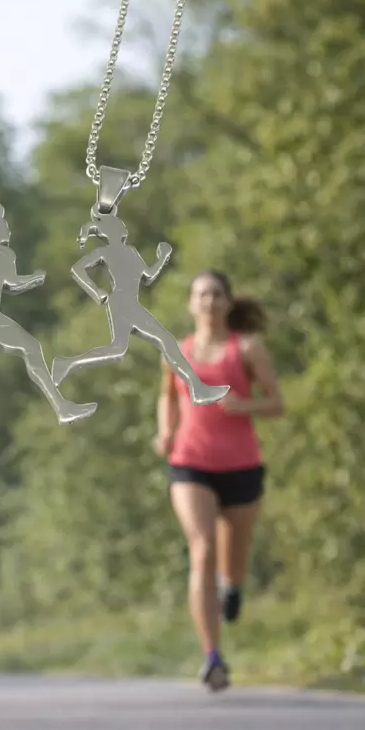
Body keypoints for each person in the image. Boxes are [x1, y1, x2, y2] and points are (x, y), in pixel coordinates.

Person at [154, 269, 284, 692]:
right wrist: (166, 430)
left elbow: (276, 404)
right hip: (190, 463)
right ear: (191, 304)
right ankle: (212, 656)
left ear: (228, 302)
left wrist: (243, 405)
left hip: (241, 466)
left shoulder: (246, 348)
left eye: (215, 294)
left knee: (233, 562)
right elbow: (167, 395)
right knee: (203, 550)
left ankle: (234, 588)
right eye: (201, 295)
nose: (209, 302)